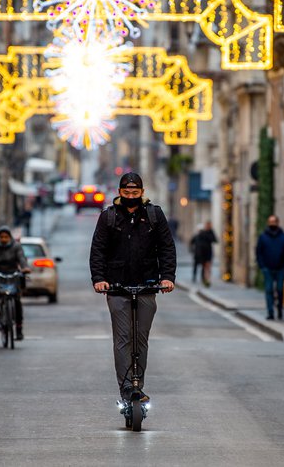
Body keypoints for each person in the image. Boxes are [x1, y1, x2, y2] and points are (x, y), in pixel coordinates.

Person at [90, 172, 176, 405]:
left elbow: (167, 247)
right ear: (119, 193)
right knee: (123, 338)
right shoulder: (108, 217)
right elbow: (98, 250)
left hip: (147, 284)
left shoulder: (153, 215)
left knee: (141, 339)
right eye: (126, 193)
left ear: (142, 193)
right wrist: (99, 278)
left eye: (135, 193)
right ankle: (126, 387)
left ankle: (138, 384)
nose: (131, 196)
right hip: (117, 287)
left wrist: (167, 277)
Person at [0, 225, 29, 340]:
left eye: (6, 237)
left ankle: (19, 329)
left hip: (12, 272)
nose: (4, 239)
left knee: (17, 301)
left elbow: (21, 258)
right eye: (2, 237)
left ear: (10, 237)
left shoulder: (16, 246)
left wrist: (25, 268)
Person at [255, 215, 284, 320]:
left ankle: (280, 309)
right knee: (269, 290)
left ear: (277, 223)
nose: (272, 224)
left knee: (280, 289)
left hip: (281, 268)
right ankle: (270, 312)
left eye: (274, 222)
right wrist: (262, 266)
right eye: (270, 222)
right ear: (268, 223)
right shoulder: (263, 237)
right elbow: (259, 252)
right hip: (267, 268)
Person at [190, 221, 218, 287]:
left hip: (208, 252)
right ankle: (197, 278)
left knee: (207, 267)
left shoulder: (211, 232)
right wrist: (192, 250)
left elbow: (215, 240)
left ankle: (205, 280)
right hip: (200, 253)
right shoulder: (200, 234)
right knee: (199, 266)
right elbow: (193, 242)